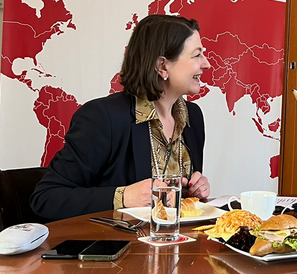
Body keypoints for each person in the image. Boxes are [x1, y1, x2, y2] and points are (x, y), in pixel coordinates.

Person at [31, 15, 212, 220]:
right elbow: (46, 198)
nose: (206, 64)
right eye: (197, 55)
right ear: (162, 66)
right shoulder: (101, 118)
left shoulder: (193, 117)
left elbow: (168, 206)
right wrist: (124, 196)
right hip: (118, 249)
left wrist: (193, 191)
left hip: (176, 247)